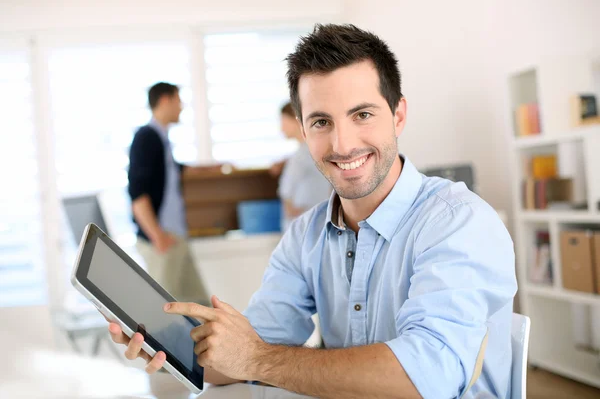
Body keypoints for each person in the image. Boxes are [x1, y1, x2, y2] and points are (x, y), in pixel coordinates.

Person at [111, 25, 517, 399]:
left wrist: (256, 358)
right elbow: (248, 351)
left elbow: (429, 375)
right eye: (321, 122)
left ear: (398, 115)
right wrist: (174, 351)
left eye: (362, 115)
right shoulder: (306, 235)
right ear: (303, 131)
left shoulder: (458, 222)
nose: (342, 144)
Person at [128, 82, 209, 305]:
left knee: (200, 306)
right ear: (165, 100)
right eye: (178, 100)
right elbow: (137, 193)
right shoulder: (146, 137)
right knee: (163, 311)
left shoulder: (161, 139)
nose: (181, 107)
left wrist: (209, 168)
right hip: (162, 240)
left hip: (176, 237)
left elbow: (173, 170)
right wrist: (157, 236)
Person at [275, 102, 332, 231]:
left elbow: (288, 194)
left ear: (296, 119)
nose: (281, 129)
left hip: (308, 225)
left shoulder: (308, 153)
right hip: (306, 225)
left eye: (283, 121)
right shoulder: (302, 153)